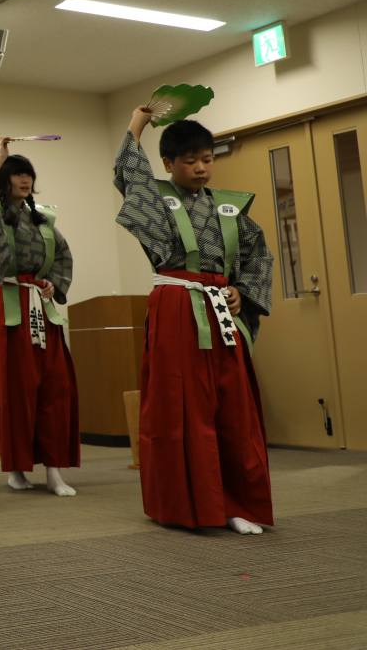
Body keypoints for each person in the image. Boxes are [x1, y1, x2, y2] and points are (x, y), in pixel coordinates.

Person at [115, 107, 274, 534]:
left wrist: (242, 291)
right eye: (190, 161)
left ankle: (235, 503)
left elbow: (258, 257)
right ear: (169, 163)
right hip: (177, 306)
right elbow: (131, 178)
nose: (201, 168)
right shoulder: (158, 201)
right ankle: (190, 505)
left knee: (233, 403)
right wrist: (137, 124)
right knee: (180, 403)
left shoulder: (228, 209)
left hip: (220, 308)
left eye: (207, 159)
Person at [0, 139, 79, 495]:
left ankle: (55, 471)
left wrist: (53, 283)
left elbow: (63, 256)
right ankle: (16, 468)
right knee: (14, 390)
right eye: (17, 174)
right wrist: (0, 158)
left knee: (55, 387)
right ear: (5, 180)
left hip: (41, 307)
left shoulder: (43, 221)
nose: (25, 179)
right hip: (7, 304)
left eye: (28, 174)